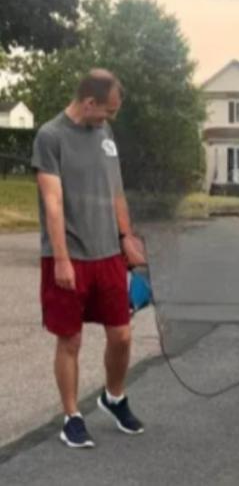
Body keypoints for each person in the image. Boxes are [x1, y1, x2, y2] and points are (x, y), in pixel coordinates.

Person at [32, 69, 148, 448]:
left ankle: (113, 397)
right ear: (89, 103)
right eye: (108, 111)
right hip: (69, 256)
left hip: (108, 254)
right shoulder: (51, 137)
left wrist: (127, 237)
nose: (110, 118)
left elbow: (115, 191)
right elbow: (52, 202)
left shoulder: (104, 135)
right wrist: (61, 258)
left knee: (123, 334)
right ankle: (72, 416)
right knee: (70, 340)